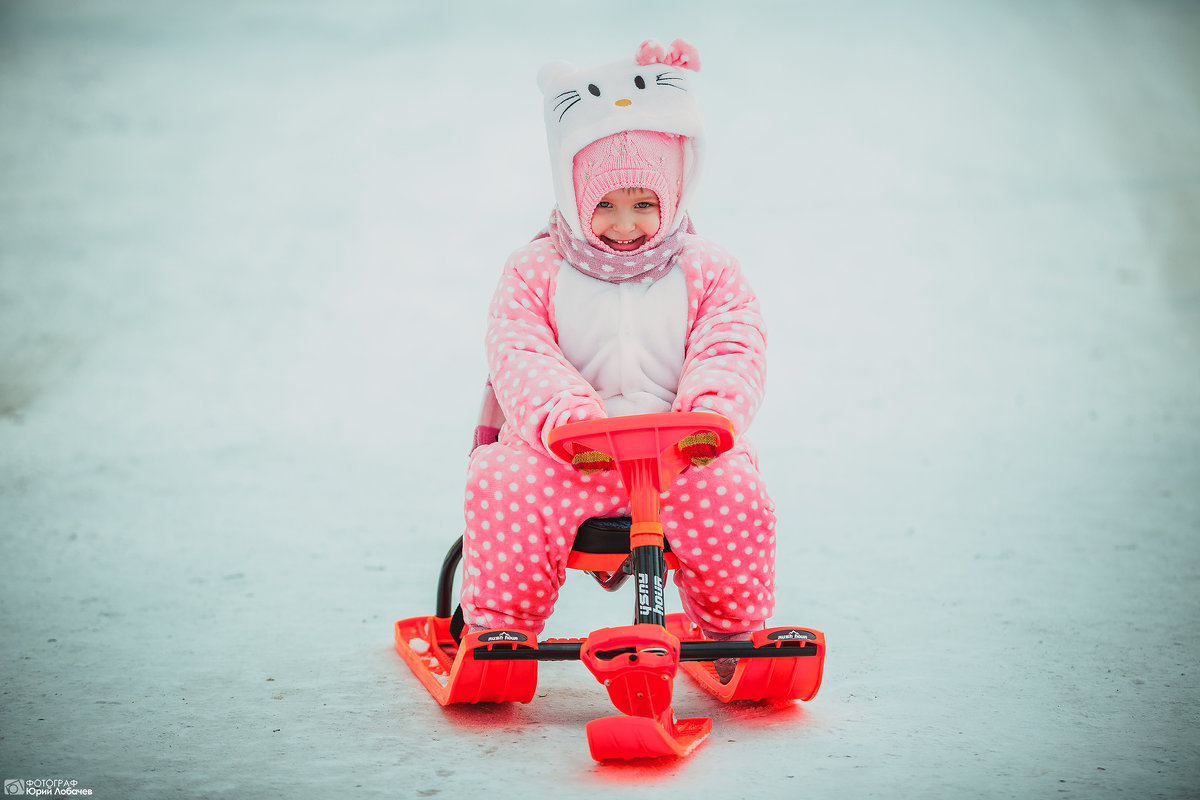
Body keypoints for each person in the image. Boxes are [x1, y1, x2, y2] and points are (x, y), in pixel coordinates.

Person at [460, 39, 775, 679]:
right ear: (574, 194)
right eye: (603, 204)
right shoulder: (535, 269)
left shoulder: (705, 270)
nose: (624, 224)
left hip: (678, 458)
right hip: (568, 457)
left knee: (735, 493)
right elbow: (518, 346)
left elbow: (732, 338)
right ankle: (502, 636)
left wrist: (711, 410)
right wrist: (563, 414)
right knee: (502, 484)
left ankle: (735, 637)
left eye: (643, 204)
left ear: (673, 195)